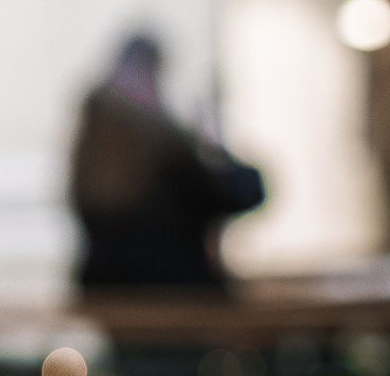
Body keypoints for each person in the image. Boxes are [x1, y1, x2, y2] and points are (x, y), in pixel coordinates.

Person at [68, 33, 265, 292]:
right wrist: (215, 150)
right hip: (176, 289)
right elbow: (239, 195)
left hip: (105, 289)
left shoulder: (92, 148)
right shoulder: (162, 143)